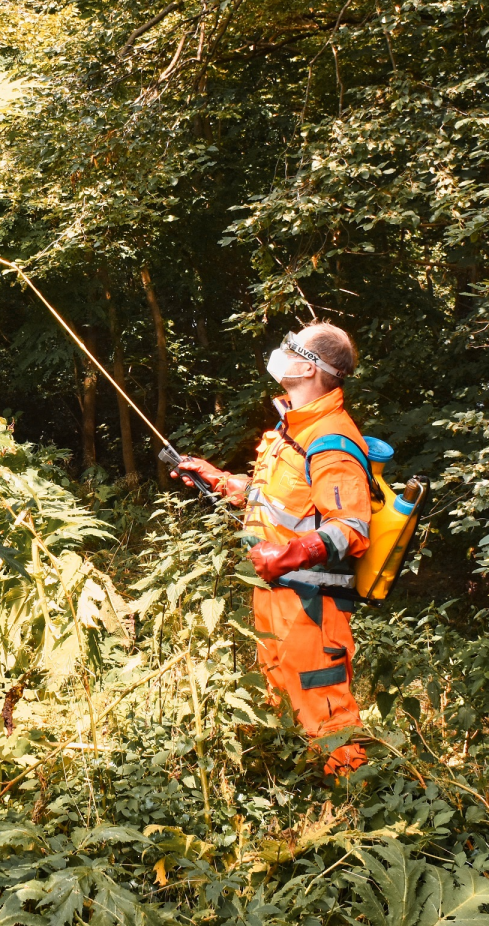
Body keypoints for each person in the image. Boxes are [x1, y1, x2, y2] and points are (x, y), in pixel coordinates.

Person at [171, 323, 370, 774]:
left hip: (313, 604)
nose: (279, 353)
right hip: (277, 593)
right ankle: (302, 798)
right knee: (281, 697)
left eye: (290, 347)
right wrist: (221, 481)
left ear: (307, 366)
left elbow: (351, 526)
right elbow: (283, 502)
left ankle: (356, 800)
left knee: (323, 707)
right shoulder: (292, 428)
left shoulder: (331, 440)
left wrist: (285, 556)